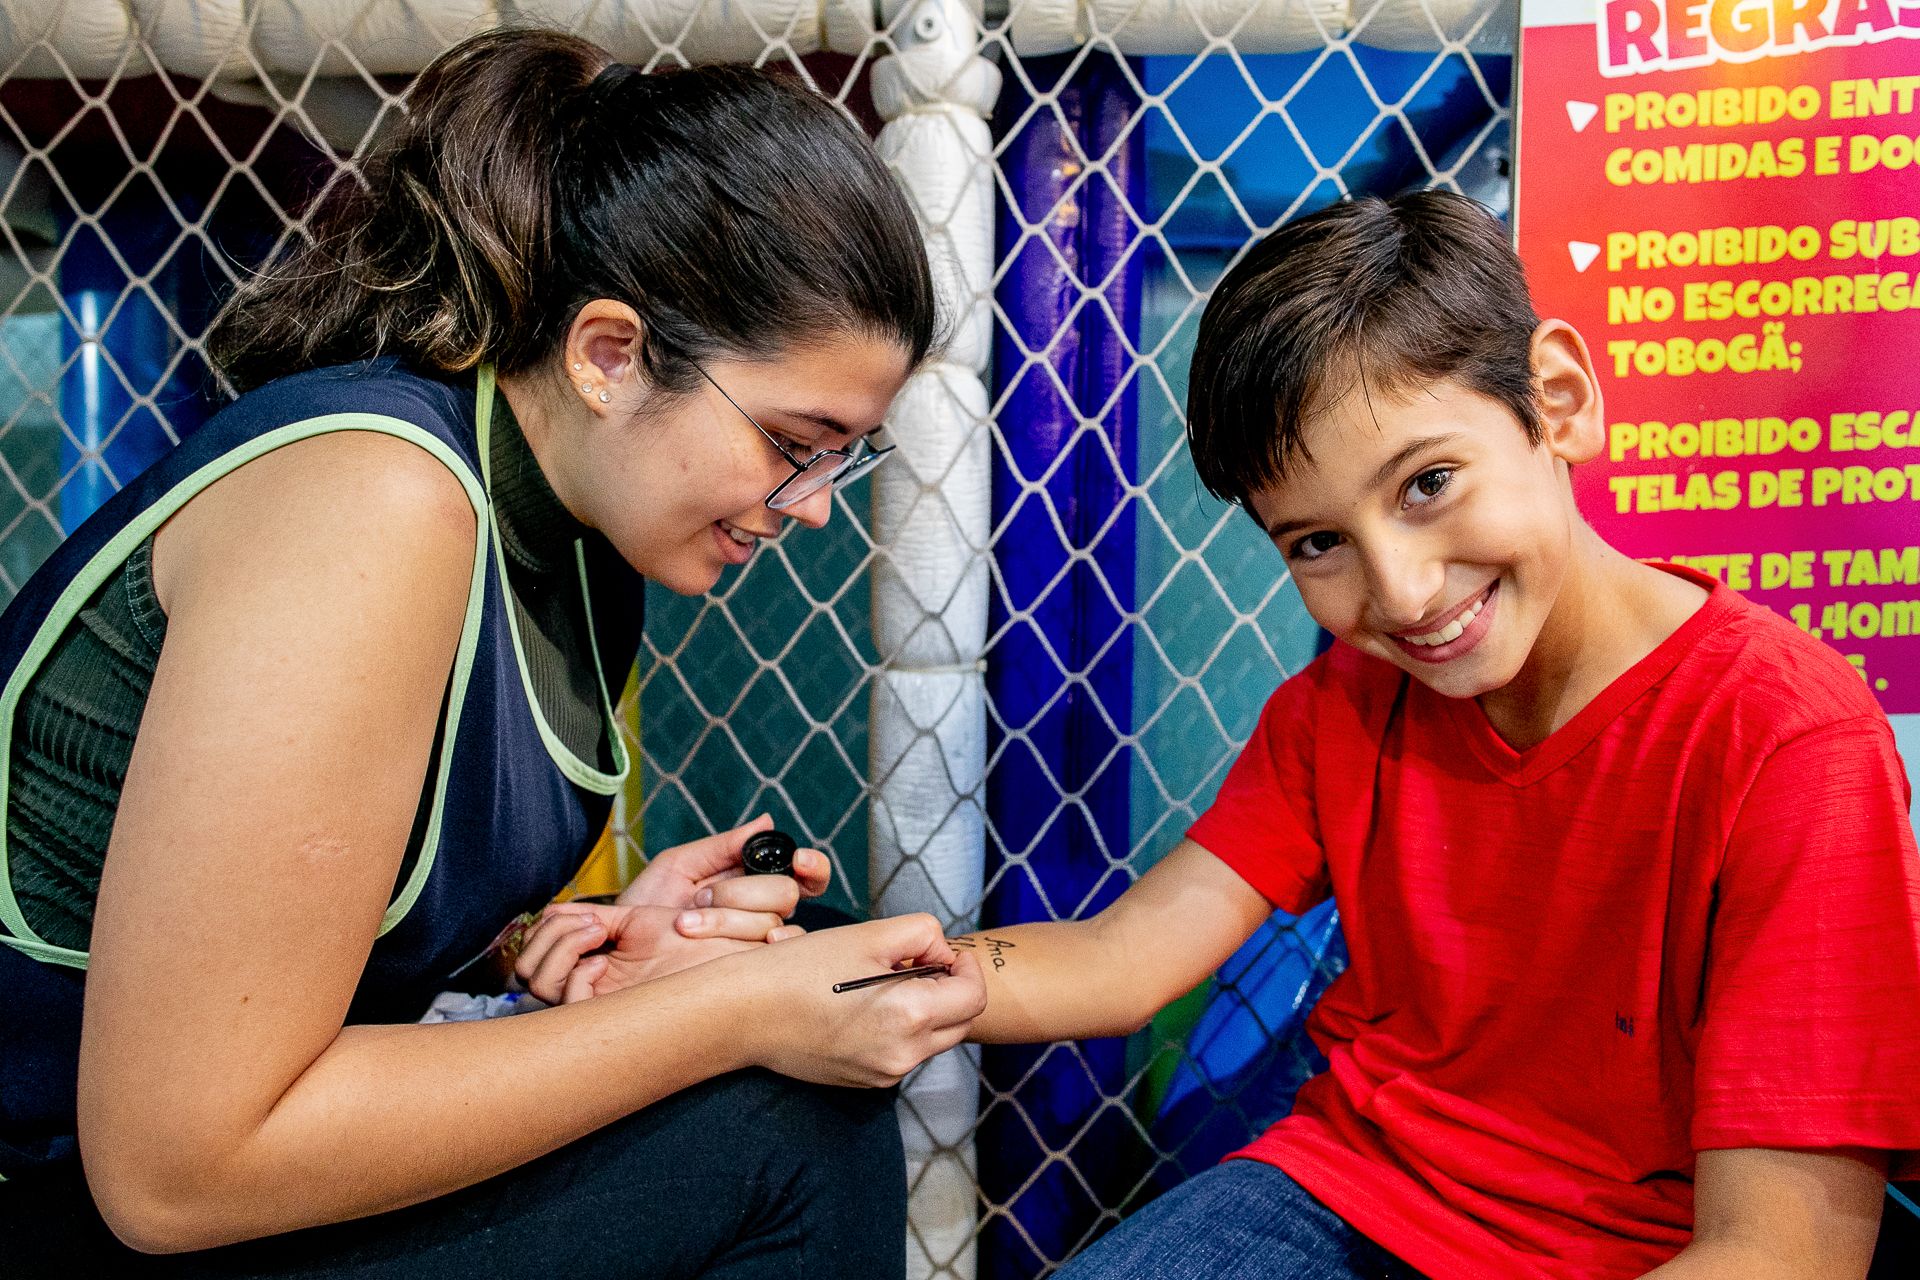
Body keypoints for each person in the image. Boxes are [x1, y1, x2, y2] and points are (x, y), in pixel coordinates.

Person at [540, 188, 1920, 1278]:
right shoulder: (1341, 711)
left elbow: (1783, 1250)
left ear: (1557, 401)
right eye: (1317, 542)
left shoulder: (1787, 743)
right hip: (1347, 1202)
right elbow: (1121, 961)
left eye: (1430, 483)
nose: (1400, 590)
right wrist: (767, 976)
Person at [0, 28, 984, 1278]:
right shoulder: (377, 496)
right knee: (779, 1115)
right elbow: (175, 1167)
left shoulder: (580, 541)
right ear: (609, 354)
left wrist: (566, 949)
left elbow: (314, 922)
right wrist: (722, 1014)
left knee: (807, 960)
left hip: (157, 1171)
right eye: (799, 440)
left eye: (849, 453)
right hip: (63, 1189)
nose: (816, 502)